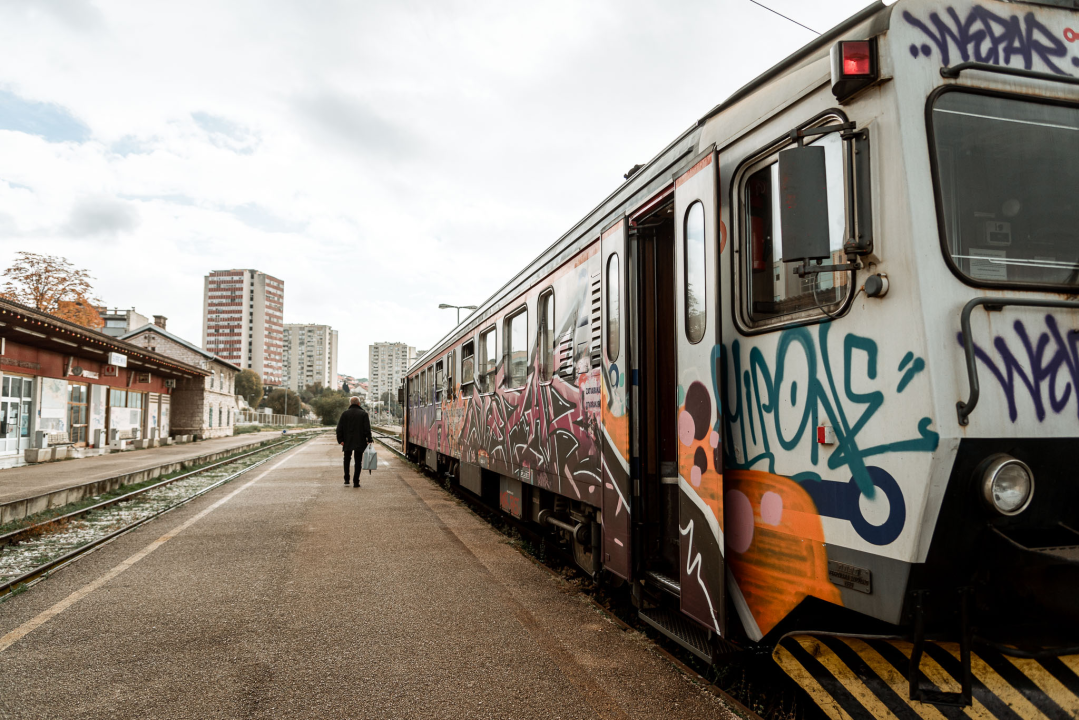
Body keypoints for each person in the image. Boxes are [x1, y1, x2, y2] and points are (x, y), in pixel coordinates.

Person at [336, 397, 373, 488]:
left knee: (347, 459)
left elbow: (339, 429)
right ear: (359, 404)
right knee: (358, 461)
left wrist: (340, 440)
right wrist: (369, 439)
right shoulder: (363, 414)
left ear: (350, 404)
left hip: (347, 441)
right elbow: (367, 429)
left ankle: (346, 479)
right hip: (360, 441)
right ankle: (356, 482)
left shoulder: (345, 414)